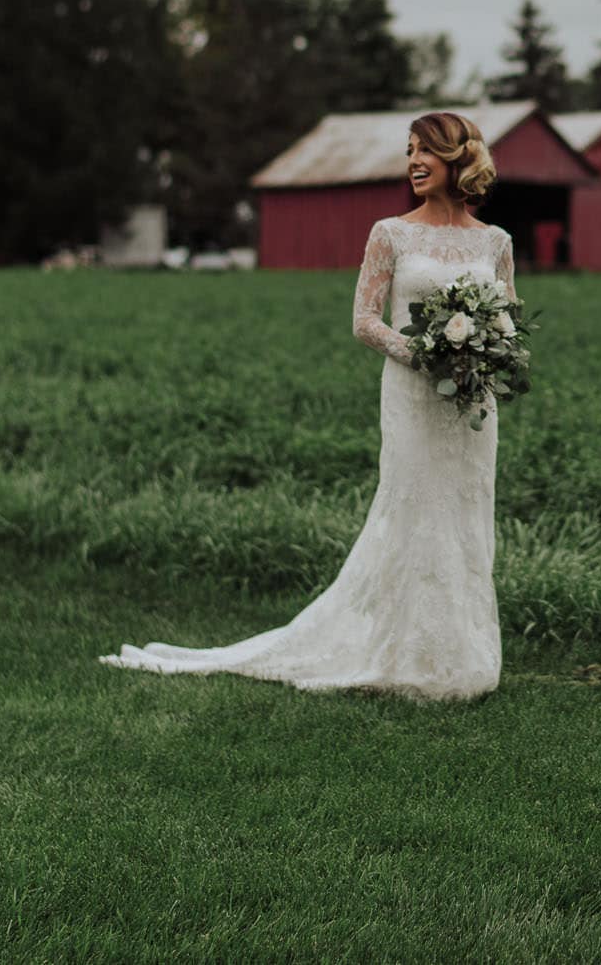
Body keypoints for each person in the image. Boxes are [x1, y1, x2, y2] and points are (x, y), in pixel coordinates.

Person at [100, 111, 515, 700]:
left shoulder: (496, 242)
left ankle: (462, 657)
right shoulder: (390, 233)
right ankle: (404, 654)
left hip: (471, 407)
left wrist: (484, 354)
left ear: (458, 158)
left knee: (465, 519)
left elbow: (506, 322)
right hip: (412, 396)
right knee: (411, 512)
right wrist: (421, 351)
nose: (414, 163)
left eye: (426, 151)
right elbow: (364, 320)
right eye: (409, 151)